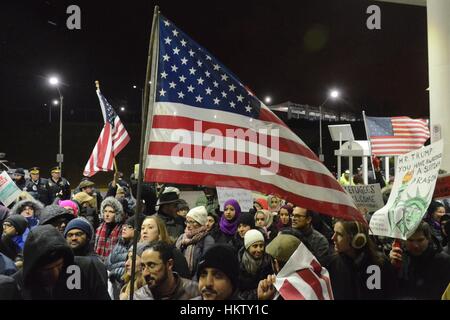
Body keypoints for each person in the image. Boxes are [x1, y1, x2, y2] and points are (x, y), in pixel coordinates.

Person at [12, 225, 110, 299]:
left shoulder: (85, 269)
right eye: (47, 270)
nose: (55, 274)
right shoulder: (17, 284)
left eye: (59, 265)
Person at [325, 219, 397, 299]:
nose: (333, 238)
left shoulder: (380, 263)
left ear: (357, 239)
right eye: (334, 232)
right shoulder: (333, 263)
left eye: (339, 234)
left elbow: (391, 293)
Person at [389, 221, 450, 299]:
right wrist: (391, 267)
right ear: (404, 240)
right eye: (410, 240)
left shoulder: (443, 261)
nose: (415, 245)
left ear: (428, 239)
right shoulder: (400, 258)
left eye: (420, 240)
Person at [133, 241, 199, 300]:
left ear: (169, 264)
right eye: (143, 267)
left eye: (152, 266)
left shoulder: (195, 291)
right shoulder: (139, 297)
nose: (145, 273)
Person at [106, 215, 143, 298]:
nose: (124, 228)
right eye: (124, 226)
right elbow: (108, 263)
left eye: (129, 227)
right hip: (113, 283)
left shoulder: (137, 249)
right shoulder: (119, 243)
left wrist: (115, 273)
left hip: (123, 283)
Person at [175, 206, 215, 278]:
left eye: (192, 222)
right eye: (187, 221)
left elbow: (204, 266)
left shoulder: (207, 240)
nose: (188, 225)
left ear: (200, 223)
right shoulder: (182, 237)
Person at [238, 229, 274, 300]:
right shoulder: (239, 265)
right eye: (255, 246)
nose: (259, 249)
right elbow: (238, 293)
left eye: (261, 246)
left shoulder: (268, 262)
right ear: (248, 248)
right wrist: (257, 294)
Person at [95, 197, 124, 261]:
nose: (107, 214)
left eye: (111, 212)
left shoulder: (121, 230)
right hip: (99, 263)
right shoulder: (99, 229)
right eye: (105, 211)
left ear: (117, 214)